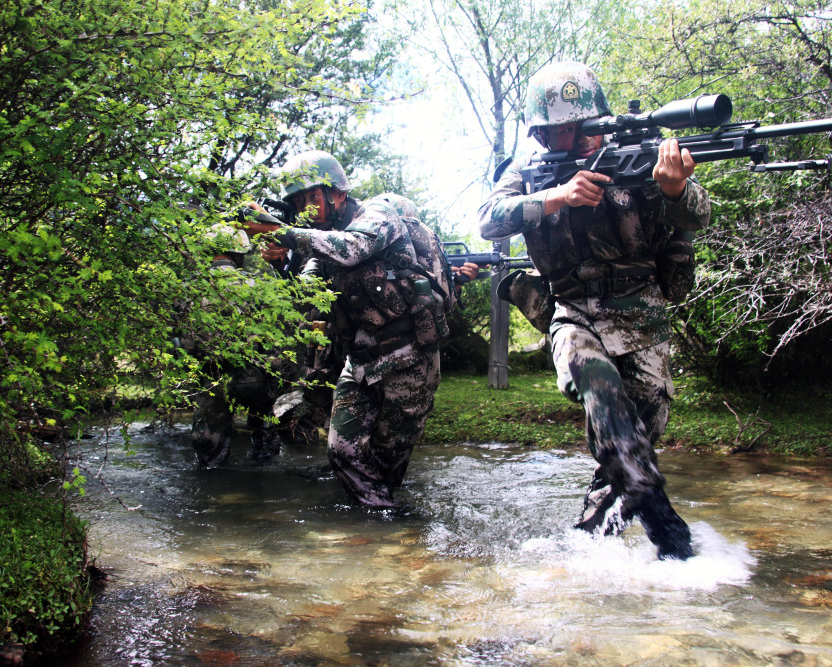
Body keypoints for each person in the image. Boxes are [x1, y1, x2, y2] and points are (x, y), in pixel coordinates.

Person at [478, 61, 712, 560]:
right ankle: (668, 530)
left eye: (582, 127)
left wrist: (674, 188)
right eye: (562, 130)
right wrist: (556, 197)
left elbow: (700, 214)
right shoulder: (527, 175)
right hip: (573, 311)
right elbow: (488, 221)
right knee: (598, 389)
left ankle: (590, 546)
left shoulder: (638, 156)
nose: (577, 139)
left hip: (642, 315)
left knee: (632, 446)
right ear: (541, 134)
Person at [241, 150, 456, 512]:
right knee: (342, 452)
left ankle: (391, 535)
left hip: (409, 356)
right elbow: (304, 299)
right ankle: (384, 524)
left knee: (387, 463)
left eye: (312, 197)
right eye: (298, 202)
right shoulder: (317, 244)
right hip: (360, 359)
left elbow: (352, 248)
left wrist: (284, 232)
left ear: (338, 193)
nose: (307, 208)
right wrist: (283, 266)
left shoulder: (377, 214)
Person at [181, 222, 287, 468]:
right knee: (265, 445)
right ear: (238, 252)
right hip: (253, 379)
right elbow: (273, 341)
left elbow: (185, 345)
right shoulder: (253, 286)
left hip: (213, 380)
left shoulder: (192, 288)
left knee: (209, 455)